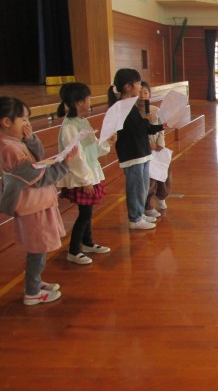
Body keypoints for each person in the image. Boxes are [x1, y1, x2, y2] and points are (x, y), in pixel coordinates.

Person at [0, 96, 78, 305]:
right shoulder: (8, 148)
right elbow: (38, 177)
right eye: (24, 119)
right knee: (37, 249)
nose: (27, 123)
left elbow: (38, 158)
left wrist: (30, 139)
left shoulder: (15, 142)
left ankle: (35, 282)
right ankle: (32, 292)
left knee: (39, 248)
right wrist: (64, 164)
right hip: (31, 207)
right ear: (6, 122)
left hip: (38, 203)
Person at [57, 83, 115, 265]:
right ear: (79, 102)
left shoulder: (82, 121)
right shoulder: (69, 126)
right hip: (82, 176)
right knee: (85, 214)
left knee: (87, 212)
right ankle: (74, 250)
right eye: (88, 99)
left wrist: (107, 141)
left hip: (89, 172)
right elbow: (76, 156)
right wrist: (85, 180)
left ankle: (87, 243)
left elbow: (93, 146)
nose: (90, 102)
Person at [108, 69, 165, 230]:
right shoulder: (121, 107)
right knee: (135, 187)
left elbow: (143, 129)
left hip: (141, 151)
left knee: (143, 186)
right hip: (132, 153)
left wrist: (161, 126)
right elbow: (136, 129)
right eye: (138, 83)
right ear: (128, 86)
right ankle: (135, 218)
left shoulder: (130, 105)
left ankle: (140, 212)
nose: (140, 87)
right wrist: (147, 120)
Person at [138, 81, 171, 217]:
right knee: (150, 178)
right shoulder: (134, 113)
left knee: (164, 172)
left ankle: (161, 196)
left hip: (157, 148)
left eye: (145, 93)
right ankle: (147, 204)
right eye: (139, 93)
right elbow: (139, 131)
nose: (142, 96)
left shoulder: (155, 110)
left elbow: (161, 128)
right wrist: (148, 144)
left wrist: (160, 143)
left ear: (149, 95)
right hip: (144, 149)